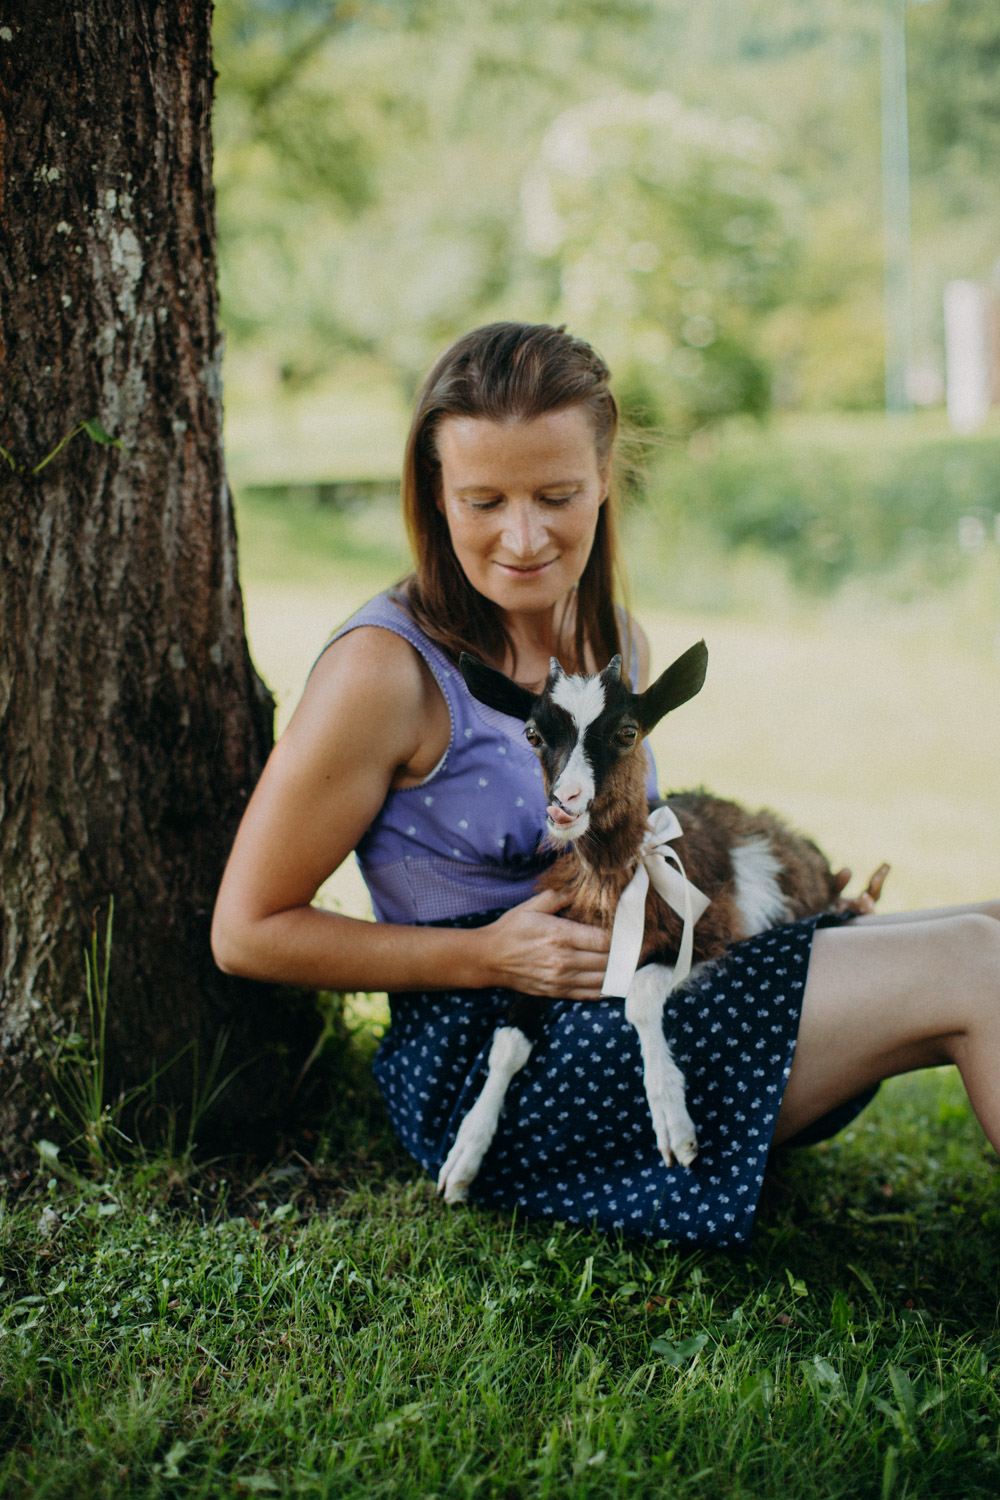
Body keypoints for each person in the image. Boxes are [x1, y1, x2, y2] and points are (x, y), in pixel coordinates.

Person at [212, 321, 1000, 1247]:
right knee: (972, 966)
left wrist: (792, 912)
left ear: (602, 480)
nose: (522, 537)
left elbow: (634, 851)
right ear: (434, 496)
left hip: (645, 982)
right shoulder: (385, 673)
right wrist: (488, 957)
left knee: (992, 929)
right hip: (503, 1056)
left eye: (556, 496)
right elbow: (247, 931)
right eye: (483, 501)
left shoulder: (613, 643)